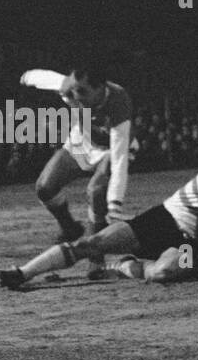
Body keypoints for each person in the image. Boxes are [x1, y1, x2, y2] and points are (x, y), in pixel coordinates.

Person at [0, 152, 198, 289]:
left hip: (189, 244)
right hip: (163, 219)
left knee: (163, 273)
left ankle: (124, 266)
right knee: (91, 243)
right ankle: (22, 273)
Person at [21, 67, 132, 275]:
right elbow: (49, 79)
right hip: (83, 140)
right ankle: (70, 228)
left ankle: (95, 257)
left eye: (82, 92)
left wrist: (115, 205)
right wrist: (27, 76)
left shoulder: (119, 101)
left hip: (111, 148)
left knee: (96, 191)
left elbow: (119, 158)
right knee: (45, 188)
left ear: (100, 88)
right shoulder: (72, 87)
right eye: (73, 90)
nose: (75, 96)